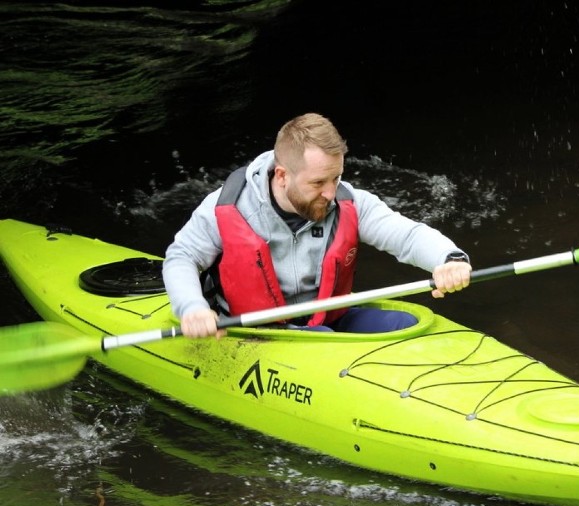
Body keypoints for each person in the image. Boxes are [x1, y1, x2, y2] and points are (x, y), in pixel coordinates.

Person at [163, 113, 472, 338]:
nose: (330, 192)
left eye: (336, 177)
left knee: (403, 326)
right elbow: (182, 258)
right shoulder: (226, 208)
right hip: (251, 331)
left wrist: (448, 259)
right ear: (282, 176)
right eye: (318, 182)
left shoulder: (348, 201)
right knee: (324, 334)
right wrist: (192, 308)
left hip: (327, 322)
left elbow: (406, 235)